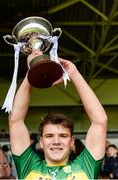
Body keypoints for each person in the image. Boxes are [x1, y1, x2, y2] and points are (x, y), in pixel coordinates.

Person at [8, 50, 108, 179]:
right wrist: (33, 70)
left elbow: (100, 121)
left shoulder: (85, 166)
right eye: (49, 136)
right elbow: (15, 120)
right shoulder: (28, 166)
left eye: (63, 136)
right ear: (41, 142)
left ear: (72, 142)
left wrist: (74, 74)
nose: (56, 141)